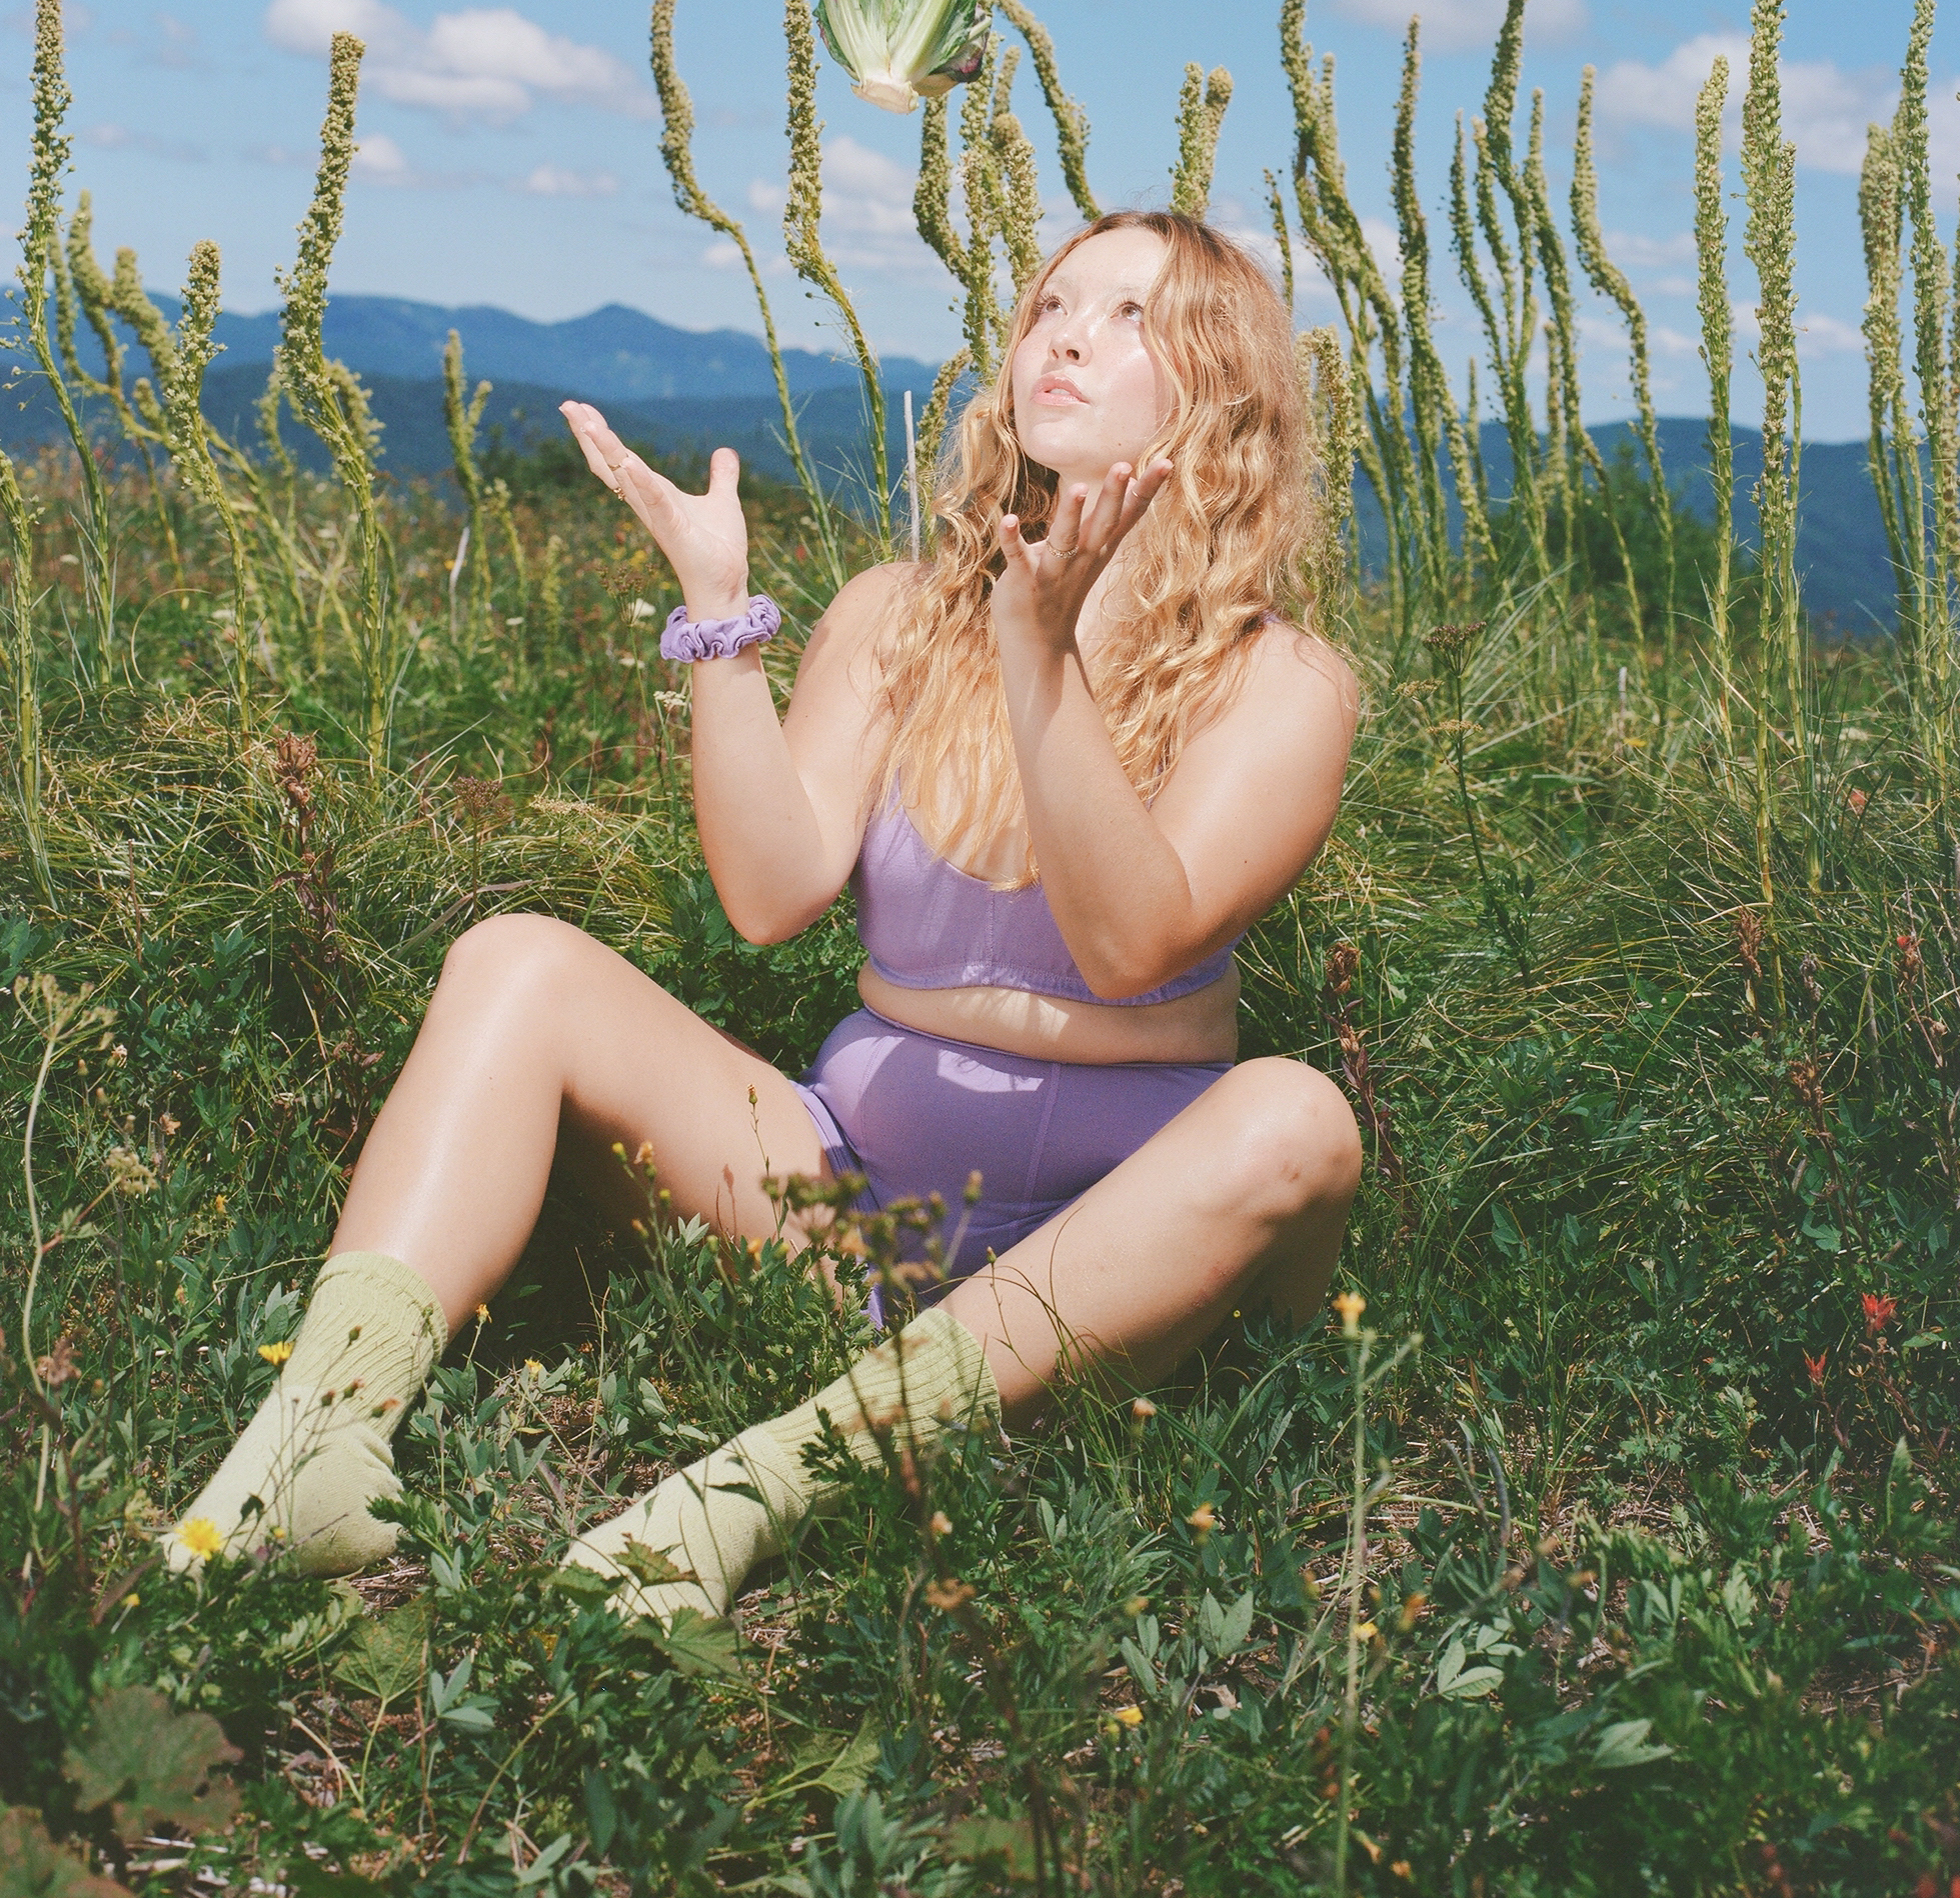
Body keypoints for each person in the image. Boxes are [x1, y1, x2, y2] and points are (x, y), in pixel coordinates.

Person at [169, 210, 1362, 1619]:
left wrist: (1043, 658)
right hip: (842, 1209)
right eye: (1052, 305)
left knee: (1299, 1118)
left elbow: (1130, 945)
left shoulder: (1279, 682)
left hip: (1116, 1255)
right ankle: (313, 1441)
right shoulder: (902, 612)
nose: (1067, 336)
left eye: (1129, 316)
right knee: (515, 963)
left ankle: (758, 1489)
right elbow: (768, 893)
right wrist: (719, 618)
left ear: (1217, 388)